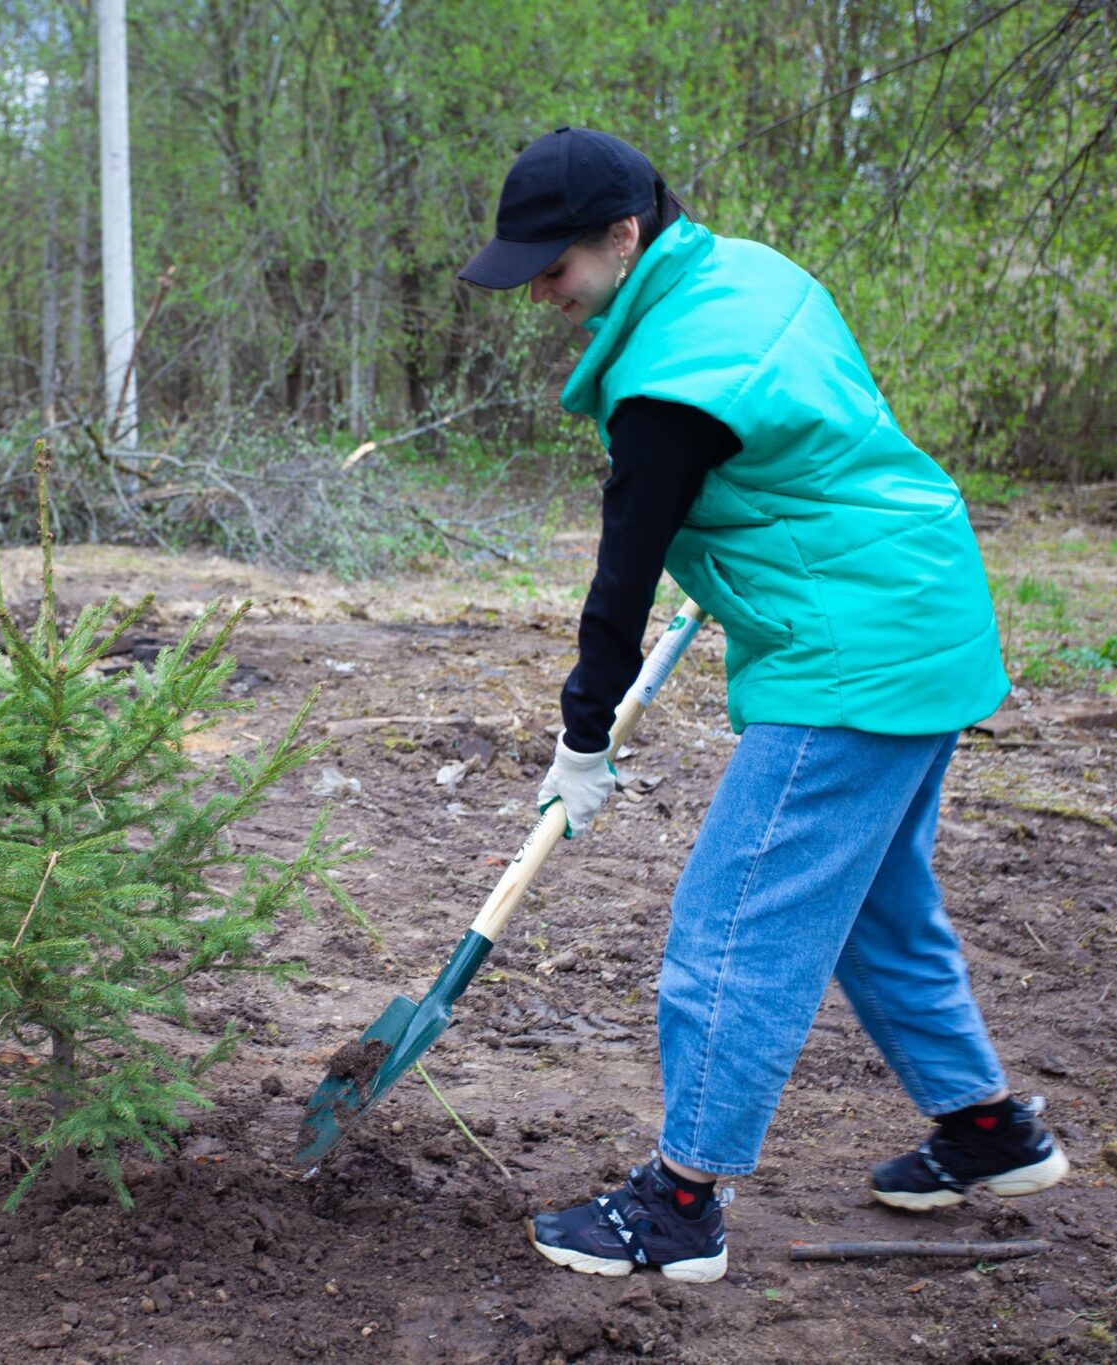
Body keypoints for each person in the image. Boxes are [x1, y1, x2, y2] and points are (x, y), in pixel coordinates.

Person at [456, 128, 1068, 1283]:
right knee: (877, 906)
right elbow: (809, 438)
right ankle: (987, 1131)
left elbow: (619, 576)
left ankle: (679, 1205)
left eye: (554, 268)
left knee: (735, 924)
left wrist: (580, 736)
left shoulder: (666, 384)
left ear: (623, 236)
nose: (541, 292)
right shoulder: (750, 275)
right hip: (915, 604)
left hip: (850, 659)